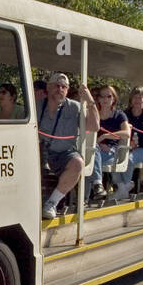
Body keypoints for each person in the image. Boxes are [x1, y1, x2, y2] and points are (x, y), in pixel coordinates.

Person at [38, 72, 99, 219]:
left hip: (63, 154)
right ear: (49, 87)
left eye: (64, 87)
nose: (60, 89)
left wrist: (90, 101)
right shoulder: (37, 105)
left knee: (77, 163)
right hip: (38, 152)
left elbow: (94, 126)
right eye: (56, 86)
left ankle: (52, 203)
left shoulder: (75, 107)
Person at [114, 85, 143, 199]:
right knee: (113, 158)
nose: (137, 100)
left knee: (128, 159)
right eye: (135, 97)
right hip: (125, 146)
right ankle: (123, 187)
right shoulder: (124, 115)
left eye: (140, 97)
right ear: (131, 99)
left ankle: (126, 186)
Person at [92, 85, 130, 202]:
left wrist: (105, 136)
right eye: (102, 96)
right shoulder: (94, 114)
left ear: (113, 99)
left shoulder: (119, 115)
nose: (105, 99)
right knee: (90, 153)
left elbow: (126, 133)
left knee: (90, 156)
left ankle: (98, 184)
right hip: (94, 150)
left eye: (108, 96)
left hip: (112, 152)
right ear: (98, 99)